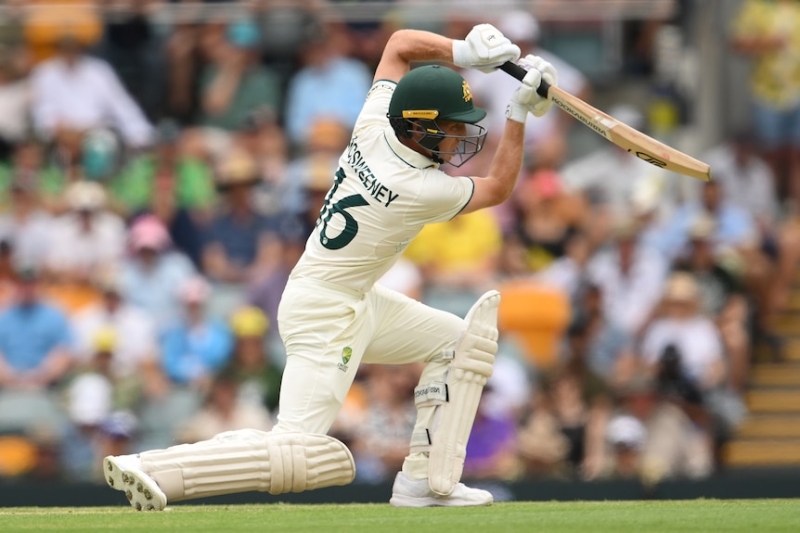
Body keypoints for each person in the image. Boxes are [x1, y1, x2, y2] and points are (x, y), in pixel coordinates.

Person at [104, 23, 555, 510]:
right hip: (325, 313)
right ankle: (153, 468)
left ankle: (425, 483)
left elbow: (399, 44)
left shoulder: (375, 125)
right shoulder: (416, 189)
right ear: (420, 128)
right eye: (451, 127)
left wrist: (464, 51)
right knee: (296, 450)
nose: (461, 137)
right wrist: (518, 114)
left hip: (353, 298)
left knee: (463, 344)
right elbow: (499, 188)